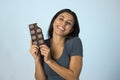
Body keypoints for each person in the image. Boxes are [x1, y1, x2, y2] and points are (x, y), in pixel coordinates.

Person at [30, 8, 83, 80]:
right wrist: (37, 60)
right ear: (53, 21)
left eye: (69, 23)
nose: (63, 24)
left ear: (71, 30)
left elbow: (74, 77)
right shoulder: (43, 45)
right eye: (61, 19)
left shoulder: (74, 42)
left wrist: (49, 61)